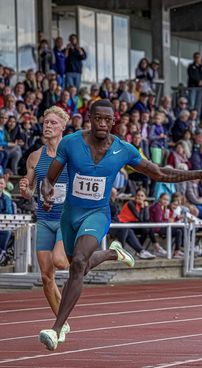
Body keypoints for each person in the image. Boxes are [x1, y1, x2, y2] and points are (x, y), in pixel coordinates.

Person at [38, 99, 202, 351]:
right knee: (79, 264)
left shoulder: (124, 150)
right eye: (98, 118)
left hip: (97, 214)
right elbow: (49, 179)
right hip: (70, 215)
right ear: (90, 118)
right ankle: (111, 253)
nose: (103, 124)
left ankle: (57, 329)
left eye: (108, 119)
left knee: (76, 264)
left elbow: (159, 173)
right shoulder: (71, 143)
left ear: (114, 121)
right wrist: (47, 193)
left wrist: (200, 174)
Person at [19, 106, 135, 347]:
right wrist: (26, 189)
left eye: (52, 122)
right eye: (45, 122)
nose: (47, 126)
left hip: (68, 217)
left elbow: (90, 177)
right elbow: (31, 191)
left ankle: (59, 322)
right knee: (46, 276)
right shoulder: (34, 157)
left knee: (65, 262)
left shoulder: (72, 149)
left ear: (63, 127)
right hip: (44, 217)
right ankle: (61, 324)